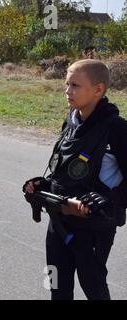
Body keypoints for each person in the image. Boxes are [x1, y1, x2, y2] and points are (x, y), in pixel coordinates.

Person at [23, 59, 127, 300]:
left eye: (75, 86)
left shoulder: (117, 129)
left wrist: (107, 200)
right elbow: (65, 169)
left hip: (93, 228)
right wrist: (43, 184)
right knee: (57, 285)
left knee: (94, 287)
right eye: (67, 84)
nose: (67, 91)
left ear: (98, 89)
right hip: (58, 220)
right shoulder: (70, 122)